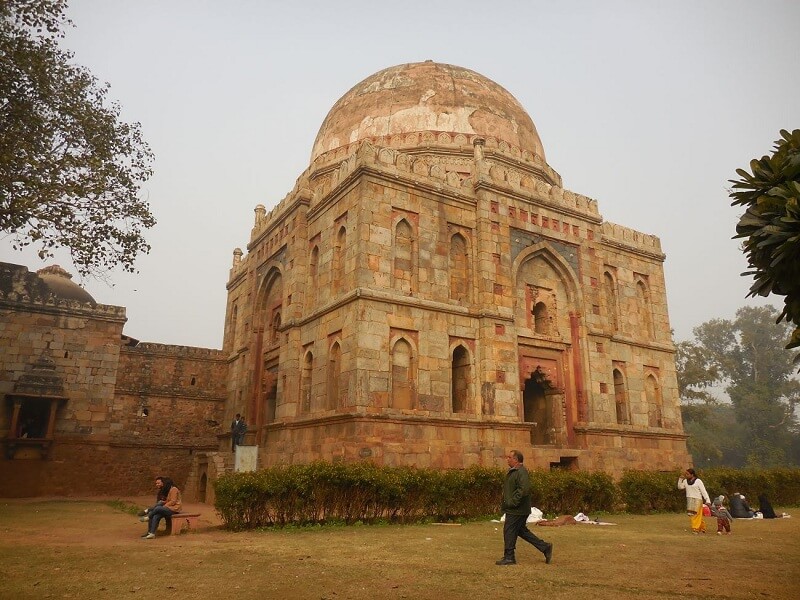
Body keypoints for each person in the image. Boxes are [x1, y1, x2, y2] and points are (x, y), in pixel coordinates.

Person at [496, 450, 553, 565]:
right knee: (521, 531)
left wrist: (512, 502)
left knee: (509, 530)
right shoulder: (514, 471)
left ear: (516, 460)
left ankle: (509, 557)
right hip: (517, 508)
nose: (507, 459)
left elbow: (524, 490)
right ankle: (545, 547)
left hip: (517, 509)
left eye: (509, 457)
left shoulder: (521, 472)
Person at [677, 468, 710, 533]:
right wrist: (680, 479)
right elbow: (680, 487)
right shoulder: (685, 481)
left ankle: (696, 528)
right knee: (692, 514)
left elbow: (703, 491)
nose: (686, 475)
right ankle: (702, 527)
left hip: (698, 500)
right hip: (689, 499)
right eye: (686, 474)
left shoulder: (698, 481)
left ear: (692, 474)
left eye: (688, 474)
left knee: (696, 514)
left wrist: (707, 500)